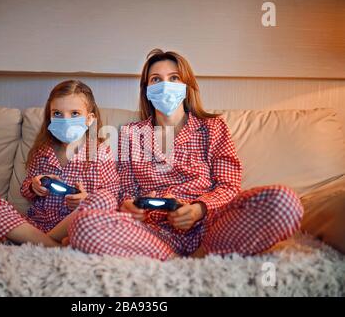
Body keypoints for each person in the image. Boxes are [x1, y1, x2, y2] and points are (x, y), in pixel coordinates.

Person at [68, 49, 304, 260]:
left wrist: (197, 209)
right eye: (156, 79)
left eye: (174, 78)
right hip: (154, 233)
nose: (165, 85)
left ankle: (200, 255)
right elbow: (124, 192)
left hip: (211, 227)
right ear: (147, 90)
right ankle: (176, 262)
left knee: (284, 201)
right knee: (84, 225)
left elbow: (229, 186)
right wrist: (130, 206)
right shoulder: (131, 134)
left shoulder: (213, 127)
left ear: (186, 85)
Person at [0, 80, 119, 247]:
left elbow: (112, 196)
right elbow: (26, 189)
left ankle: (39, 243)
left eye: (75, 113)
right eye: (57, 114)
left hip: (75, 226)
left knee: (105, 199)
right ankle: (51, 245)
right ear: (50, 117)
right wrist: (34, 186)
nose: (66, 120)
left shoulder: (100, 153)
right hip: (36, 225)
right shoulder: (43, 151)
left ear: (89, 119)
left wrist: (85, 199)